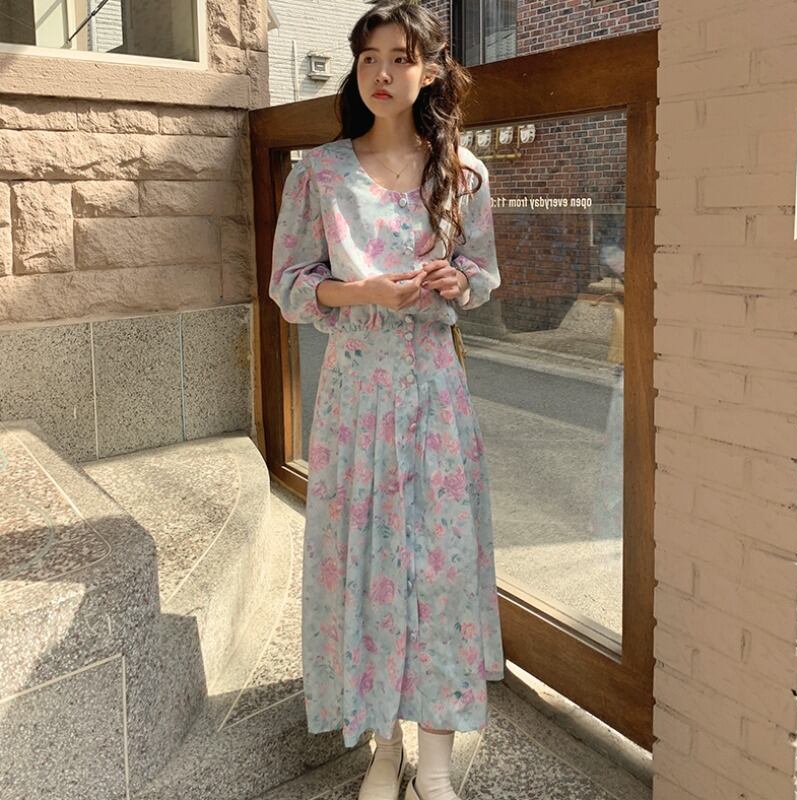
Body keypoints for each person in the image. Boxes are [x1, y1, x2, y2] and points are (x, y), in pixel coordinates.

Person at [269, 2, 504, 798]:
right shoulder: (320, 173)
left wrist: (455, 281)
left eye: (399, 58)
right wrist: (360, 289)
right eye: (368, 57)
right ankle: (383, 746)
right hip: (355, 398)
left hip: (434, 394)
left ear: (429, 71)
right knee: (363, 565)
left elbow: (482, 273)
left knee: (439, 569)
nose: (381, 73)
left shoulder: (464, 173)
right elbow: (289, 285)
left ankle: (434, 760)